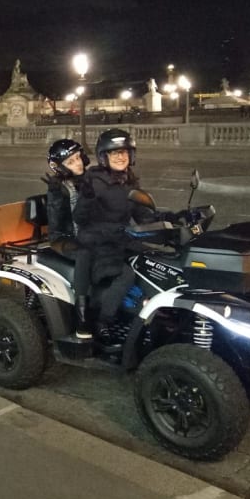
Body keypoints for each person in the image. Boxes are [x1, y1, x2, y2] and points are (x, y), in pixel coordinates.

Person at [73, 129, 159, 343]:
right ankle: (103, 321)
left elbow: (143, 215)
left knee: (154, 264)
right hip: (97, 245)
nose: (121, 157)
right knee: (126, 275)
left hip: (122, 240)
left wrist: (171, 220)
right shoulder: (93, 181)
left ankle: (148, 317)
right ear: (104, 157)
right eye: (114, 153)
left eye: (124, 152)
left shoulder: (128, 181)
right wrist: (86, 198)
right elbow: (80, 218)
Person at [43, 139, 93, 339]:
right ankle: (83, 317)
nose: (78, 163)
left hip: (88, 233)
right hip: (64, 237)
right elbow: (57, 222)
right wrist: (57, 193)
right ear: (60, 167)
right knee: (85, 254)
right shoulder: (60, 188)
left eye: (78, 158)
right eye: (71, 162)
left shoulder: (88, 179)